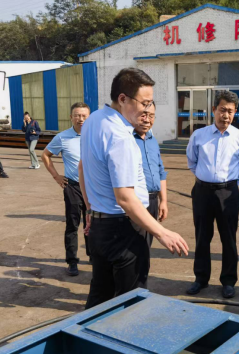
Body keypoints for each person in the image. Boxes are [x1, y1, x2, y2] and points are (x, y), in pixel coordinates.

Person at [79, 67, 188, 309]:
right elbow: (126, 199)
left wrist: (90, 209)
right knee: (131, 304)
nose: (147, 110)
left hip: (100, 227)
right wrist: (162, 232)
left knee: (99, 297)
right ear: (123, 99)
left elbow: (83, 168)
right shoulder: (120, 136)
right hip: (123, 230)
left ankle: (89, 333)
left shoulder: (93, 120)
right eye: (144, 103)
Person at [186, 90, 239, 299]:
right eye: (222, 110)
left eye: (231, 111)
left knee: (228, 238)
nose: (226, 115)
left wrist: (229, 184)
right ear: (214, 109)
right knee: (202, 237)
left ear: (235, 113)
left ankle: (229, 281)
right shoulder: (199, 135)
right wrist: (206, 179)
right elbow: (192, 161)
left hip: (228, 193)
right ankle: (201, 278)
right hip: (202, 192)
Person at [42, 102, 91, 277]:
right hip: (73, 187)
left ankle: (93, 255)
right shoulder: (62, 137)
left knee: (94, 223)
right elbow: (45, 155)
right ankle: (72, 261)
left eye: (84, 115)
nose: (81, 119)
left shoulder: (95, 135)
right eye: (77, 115)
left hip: (93, 188)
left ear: (89, 117)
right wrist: (56, 176)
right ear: (71, 117)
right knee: (73, 224)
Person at [132, 102, 169, 249]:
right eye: (143, 115)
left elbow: (160, 171)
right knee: (134, 244)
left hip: (153, 200)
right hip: (135, 201)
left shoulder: (152, 140)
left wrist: (163, 201)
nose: (147, 120)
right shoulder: (126, 140)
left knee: (147, 244)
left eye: (151, 116)